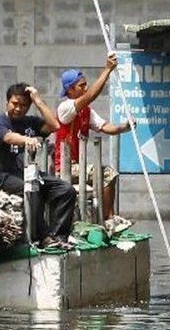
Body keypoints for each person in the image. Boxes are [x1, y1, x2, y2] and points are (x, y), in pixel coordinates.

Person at [0, 83, 76, 250]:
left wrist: (38, 101)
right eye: (15, 104)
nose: (18, 109)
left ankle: (58, 237)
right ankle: (42, 237)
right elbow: (8, 137)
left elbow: (55, 126)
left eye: (23, 105)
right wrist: (26, 139)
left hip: (31, 173)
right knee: (32, 189)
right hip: (7, 176)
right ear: (7, 102)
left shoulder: (30, 122)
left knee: (66, 190)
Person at [55, 54, 134, 220]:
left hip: (79, 166)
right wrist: (107, 70)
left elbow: (106, 127)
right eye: (81, 86)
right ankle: (109, 219)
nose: (85, 88)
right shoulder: (66, 107)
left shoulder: (87, 111)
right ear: (70, 89)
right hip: (64, 167)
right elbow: (91, 95)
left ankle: (105, 219)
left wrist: (125, 126)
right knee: (108, 174)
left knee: (108, 174)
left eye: (86, 85)